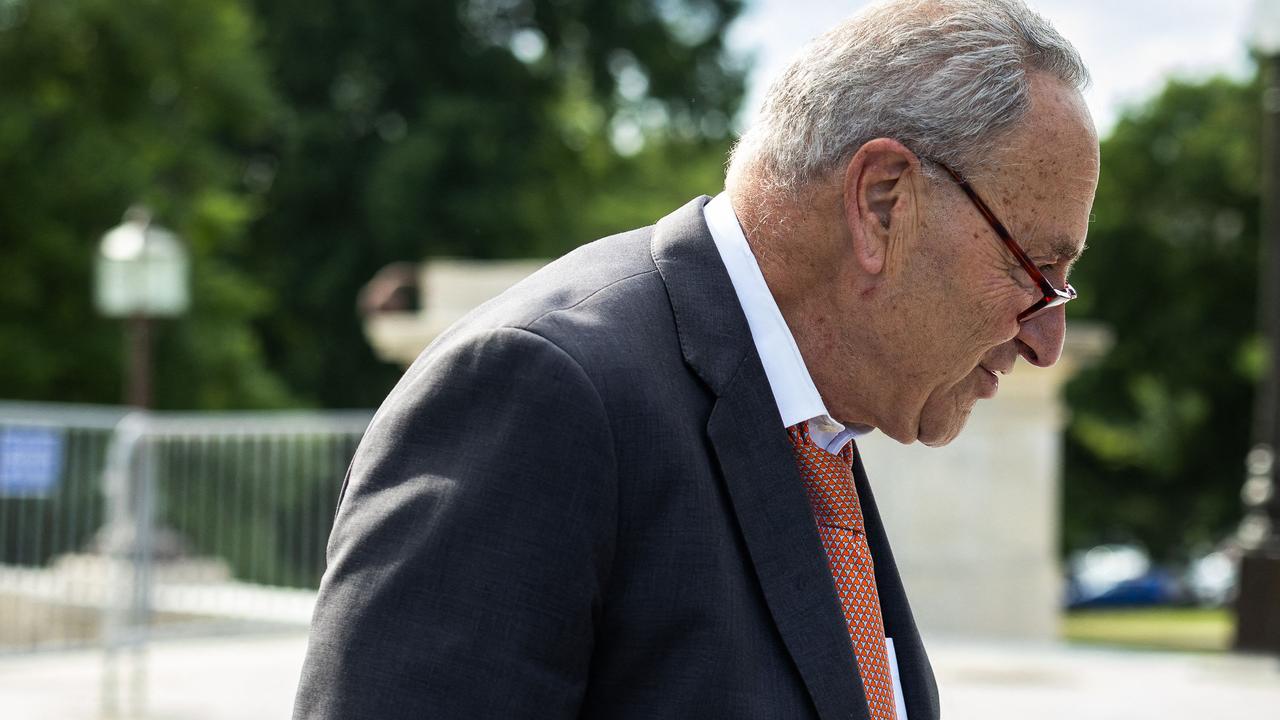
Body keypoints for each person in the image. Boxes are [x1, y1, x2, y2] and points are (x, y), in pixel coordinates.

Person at [292, 0, 1100, 718]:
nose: (1046, 337)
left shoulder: (812, 421)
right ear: (883, 201)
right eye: (1035, 269)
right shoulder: (543, 391)